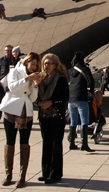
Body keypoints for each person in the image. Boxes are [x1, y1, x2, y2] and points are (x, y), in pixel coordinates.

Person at [0, 52, 43, 187]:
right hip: (12, 109)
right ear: (26, 62)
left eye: (36, 65)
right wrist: (28, 79)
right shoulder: (15, 72)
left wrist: (35, 86)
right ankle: (8, 174)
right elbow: (12, 87)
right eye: (32, 64)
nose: (34, 67)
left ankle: (22, 176)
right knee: (10, 142)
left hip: (25, 111)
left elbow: (32, 98)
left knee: (24, 143)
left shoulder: (34, 76)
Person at [37, 53, 69, 184]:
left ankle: (55, 174)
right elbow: (35, 95)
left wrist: (52, 102)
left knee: (56, 144)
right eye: (45, 63)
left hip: (56, 115)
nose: (47, 66)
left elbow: (65, 97)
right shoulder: (41, 79)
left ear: (56, 65)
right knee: (46, 143)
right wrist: (39, 102)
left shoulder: (60, 79)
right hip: (44, 116)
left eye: (49, 63)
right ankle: (45, 172)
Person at [68, 51, 95, 152]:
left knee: (73, 121)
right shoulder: (85, 69)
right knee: (84, 121)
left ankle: (71, 143)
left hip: (71, 99)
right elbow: (91, 81)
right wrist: (91, 91)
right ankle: (84, 144)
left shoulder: (70, 70)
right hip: (81, 97)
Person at [0, 45, 17, 131]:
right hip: (1, 86)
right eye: (6, 50)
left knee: (12, 106)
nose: (7, 52)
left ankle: (12, 123)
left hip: (12, 87)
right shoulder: (1, 60)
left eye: (9, 50)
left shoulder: (16, 60)